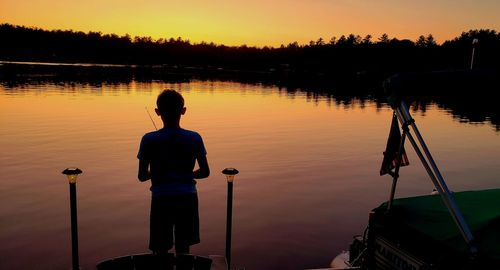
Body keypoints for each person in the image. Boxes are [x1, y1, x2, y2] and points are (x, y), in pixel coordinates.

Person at [137, 89, 210, 254]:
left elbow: (142, 176)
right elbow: (205, 172)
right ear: (183, 111)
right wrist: (185, 174)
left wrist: (158, 173)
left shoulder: (148, 139)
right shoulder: (194, 138)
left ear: (157, 112)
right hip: (187, 198)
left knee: (160, 249)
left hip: (161, 199)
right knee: (183, 248)